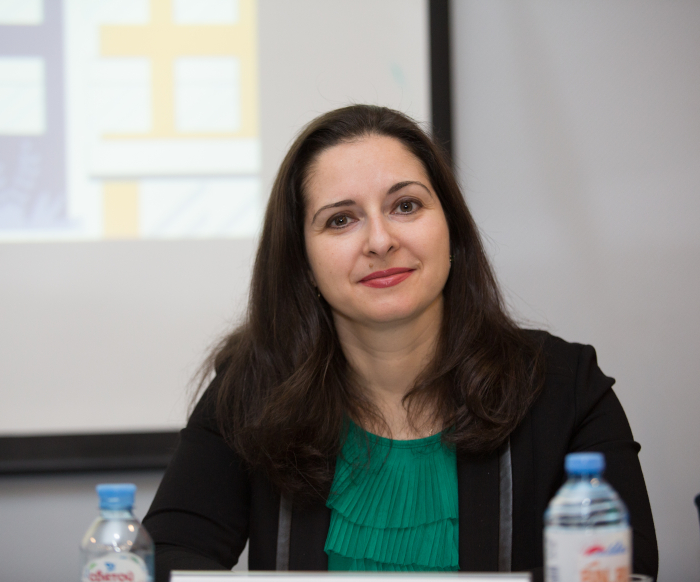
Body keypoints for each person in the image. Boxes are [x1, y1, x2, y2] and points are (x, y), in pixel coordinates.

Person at [143, 105, 658, 581]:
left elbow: (625, 569)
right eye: (340, 219)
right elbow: (161, 557)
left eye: (406, 206)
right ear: (304, 264)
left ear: (451, 231)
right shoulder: (254, 390)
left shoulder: (564, 387)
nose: (380, 240)